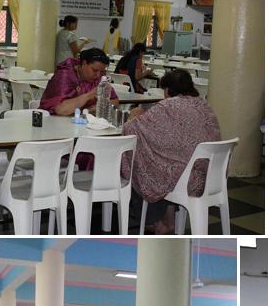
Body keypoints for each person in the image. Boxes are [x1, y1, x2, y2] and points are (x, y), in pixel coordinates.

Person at [121, 68, 220, 234]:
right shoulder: (203, 104)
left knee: (144, 163)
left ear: (167, 90)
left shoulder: (168, 106)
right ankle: (168, 217)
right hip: (210, 174)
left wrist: (134, 116)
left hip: (188, 179)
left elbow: (132, 128)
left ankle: (155, 221)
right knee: (163, 160)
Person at [39, 47, 118, 117]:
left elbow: (115, 101)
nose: (98, 75)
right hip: (52, 121)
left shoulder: (99, 77)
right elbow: (61, 110)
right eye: (95, 70)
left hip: (79, 123)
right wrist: (89, 95)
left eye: (102, 71)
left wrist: (94, 108)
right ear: (84, 63)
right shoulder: (65, 75)